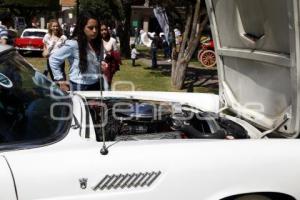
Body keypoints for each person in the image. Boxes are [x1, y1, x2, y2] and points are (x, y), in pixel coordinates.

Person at [49, 11, 108, 91]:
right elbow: (53, 59)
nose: (94, 31)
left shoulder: (98, 42)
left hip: (96, 84)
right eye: (90, 28)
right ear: (82, 27)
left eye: (97, 27)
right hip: (79, 86)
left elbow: (98, 60)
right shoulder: (73, 44)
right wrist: (60, 80)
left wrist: (101, 64)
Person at [100, 22, 121, 88]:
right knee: (99, 86)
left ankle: (108, 97)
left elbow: (117, 54)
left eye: (105, 29)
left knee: (107, 86)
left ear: (108, 30)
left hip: (109, 67)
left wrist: (111, 54)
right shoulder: (98, 41)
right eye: (101, 30)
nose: (104, 32)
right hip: (98, 66)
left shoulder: (113, 40)